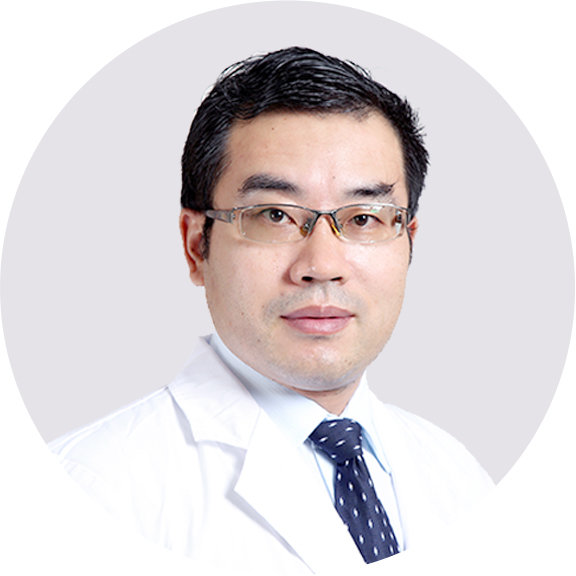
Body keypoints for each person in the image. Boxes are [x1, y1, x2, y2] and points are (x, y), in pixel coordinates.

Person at [49, 47, 493, 573]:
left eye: (364, 218)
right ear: (196, 246)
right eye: (274, 215)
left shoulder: (459, 478)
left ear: (408, 240)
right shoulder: (87, 491)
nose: (322, 265)